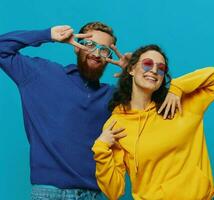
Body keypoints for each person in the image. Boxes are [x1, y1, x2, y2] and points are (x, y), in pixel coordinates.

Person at [0, 22, 179, 199]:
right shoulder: (41, 75)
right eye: (89, 45)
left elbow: (153, 109)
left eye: (104, 50)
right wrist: (48, 34)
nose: (96, 53)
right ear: (76, 47)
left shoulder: (112, 97)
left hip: (92, 195)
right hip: (49, 193)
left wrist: (132, 71)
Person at [92, 44, 214, 200]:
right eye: (147, 64)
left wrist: (177, 87)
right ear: (131, 69)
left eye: (161, 68)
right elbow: (114, 191)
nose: (154, 70)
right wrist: (101, 147)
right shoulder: (117, 123)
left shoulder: (181, 105)